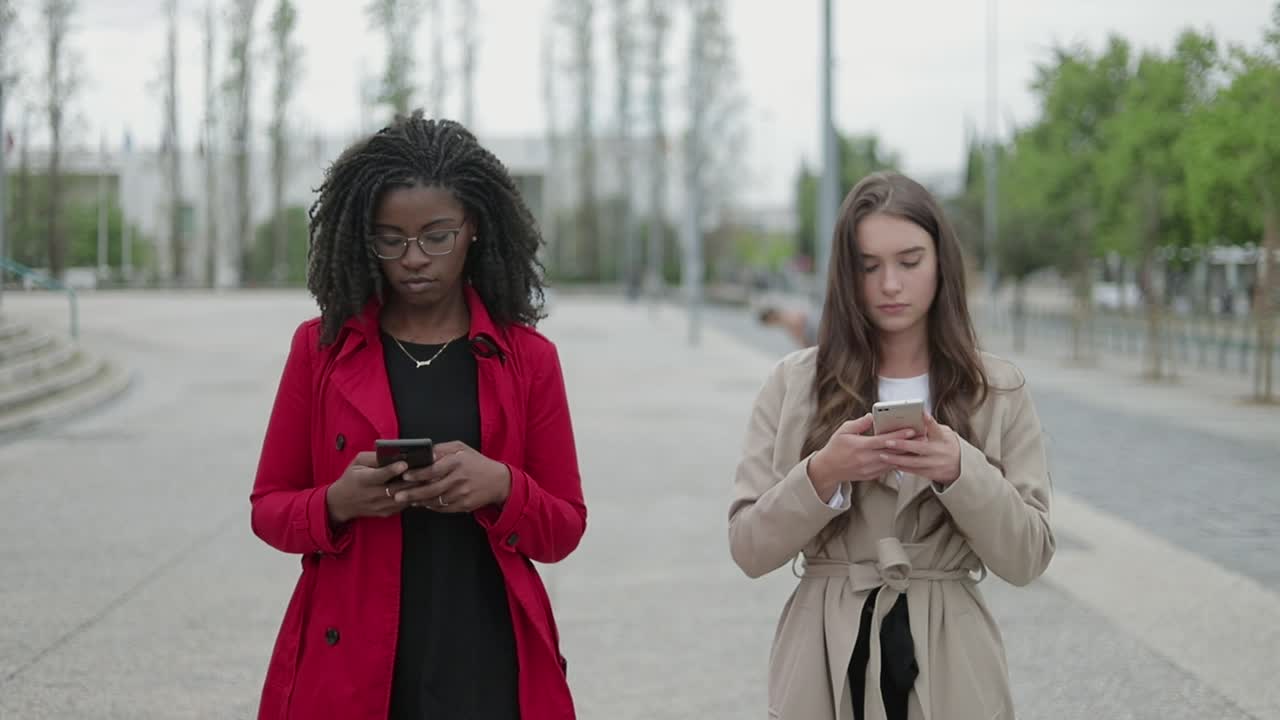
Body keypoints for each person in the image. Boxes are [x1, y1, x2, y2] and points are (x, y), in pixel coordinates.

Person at [249, 111, 587, 720]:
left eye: (437, 235)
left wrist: (503, 486)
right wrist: (335, 502)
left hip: (489, 652)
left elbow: (563, 528)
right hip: (352, 653)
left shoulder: (529, 359)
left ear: (474, 227)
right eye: (390, 239)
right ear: (364, 238)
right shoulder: (318, 350)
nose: (413, 258)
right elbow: (268, 508)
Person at [729, 171, 1054, 720]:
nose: (890, 285)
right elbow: (749, 548)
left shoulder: (995, 390)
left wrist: (961, 471)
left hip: (952, 655)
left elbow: (1027, 557)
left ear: (941, 263)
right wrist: (822, 475)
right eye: (869, 265)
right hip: (823, 656)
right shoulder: (795, 383)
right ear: (844, 273)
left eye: (910, 261)